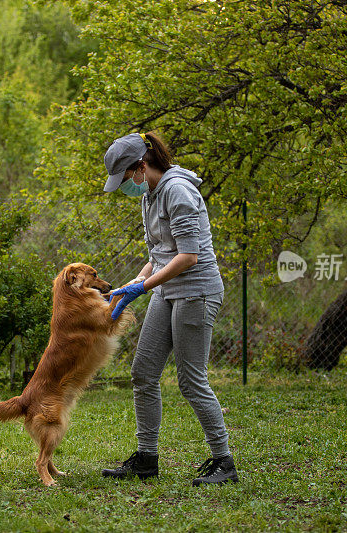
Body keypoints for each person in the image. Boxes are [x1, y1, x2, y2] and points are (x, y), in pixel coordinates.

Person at [99, 132, 239, 486]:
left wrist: (144, 288)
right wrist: (133, 283)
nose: (127, 185)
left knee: (191, 381)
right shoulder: (150, 194)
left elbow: (189, 256)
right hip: (167, 288)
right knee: (143, 372)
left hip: (197, 291)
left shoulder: (178, 190)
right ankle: (146, 459)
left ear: (142, 166)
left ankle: (224, 462)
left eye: (127, 176)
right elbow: (159, 254)